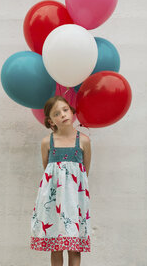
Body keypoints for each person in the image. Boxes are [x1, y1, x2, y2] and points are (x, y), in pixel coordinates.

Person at [30, 96, 92, 266]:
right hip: (54, 200)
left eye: (65, 110)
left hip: (75, 201)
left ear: (72, 111)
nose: (63, 115)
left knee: (75, 246)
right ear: (51, 121)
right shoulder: (47, 142)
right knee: (56, 246)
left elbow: (84, 172)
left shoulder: (84, 141)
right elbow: (48, 172)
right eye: (57, 113)